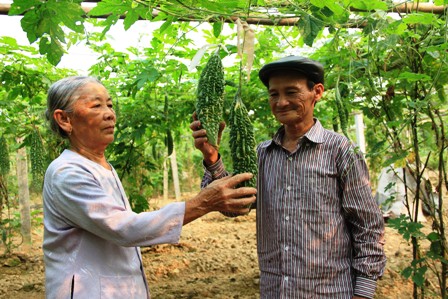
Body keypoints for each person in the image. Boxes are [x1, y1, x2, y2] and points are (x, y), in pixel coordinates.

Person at [42, 76, 257, 299]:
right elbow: (125, 228)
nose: (110, 114)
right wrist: (203, 202)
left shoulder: (99, 166)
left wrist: (211, 158)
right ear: (64, 119)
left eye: (110, 104)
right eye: (96, 105)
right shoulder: (67, 173)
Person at [190, 56, 387, 299]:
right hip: (275, 292)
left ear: (317, 92)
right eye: (274, 94)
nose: (281, 102)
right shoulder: (261, 155)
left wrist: (364, 292)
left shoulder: (341, 151)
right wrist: (212, 158)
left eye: (291, 92)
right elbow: (235, 207)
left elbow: (367, 225)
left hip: (330, 293)